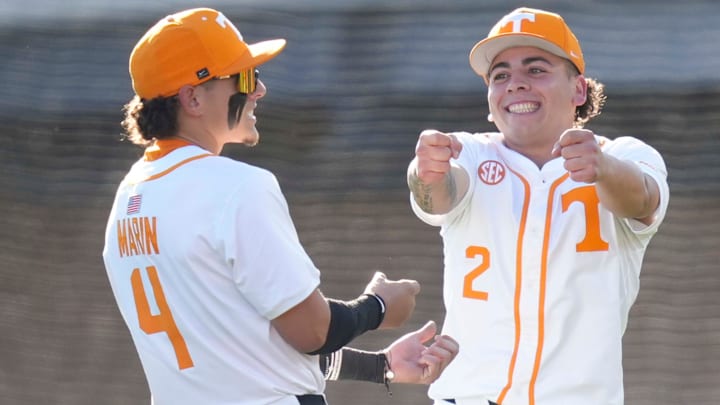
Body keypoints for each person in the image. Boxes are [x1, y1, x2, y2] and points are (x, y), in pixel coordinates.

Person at [102, 7, 458, 405]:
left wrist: (381, 366)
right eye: (244, 77)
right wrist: (378, 307)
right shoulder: (236, 187)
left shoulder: (129, 196)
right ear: (192, 98)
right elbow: (312, 332)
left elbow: (247, 345)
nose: (259, 90)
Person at [407, 7, 669, 405]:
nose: (514, 84)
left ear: (579, 90)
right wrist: (425, 173)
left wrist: (604, 170)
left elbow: (644, 200)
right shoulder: (470, 153)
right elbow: (438, 193)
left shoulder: (625, 155)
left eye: (535, 70)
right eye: (500, 76)